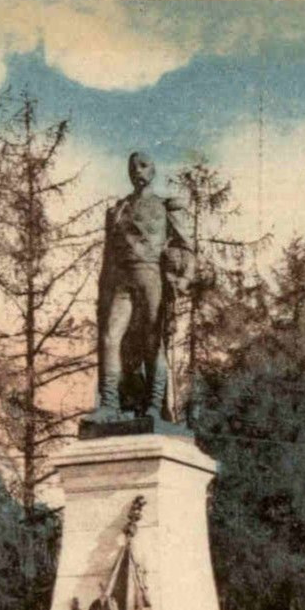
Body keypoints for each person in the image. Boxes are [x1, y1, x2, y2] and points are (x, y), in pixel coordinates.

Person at [91, 151, 193, 422]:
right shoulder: (117, 210)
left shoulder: (165, 207)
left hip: (151, 276)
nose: (138, 170)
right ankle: (109, 404)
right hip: (120, 279)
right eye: (133, 166)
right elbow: (107, 257)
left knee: (152, 342)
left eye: (144, 165)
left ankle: (153, 407)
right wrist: (102, 294)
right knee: (110, 338)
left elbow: (187, 246)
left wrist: (184, 279)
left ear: (153, 170)